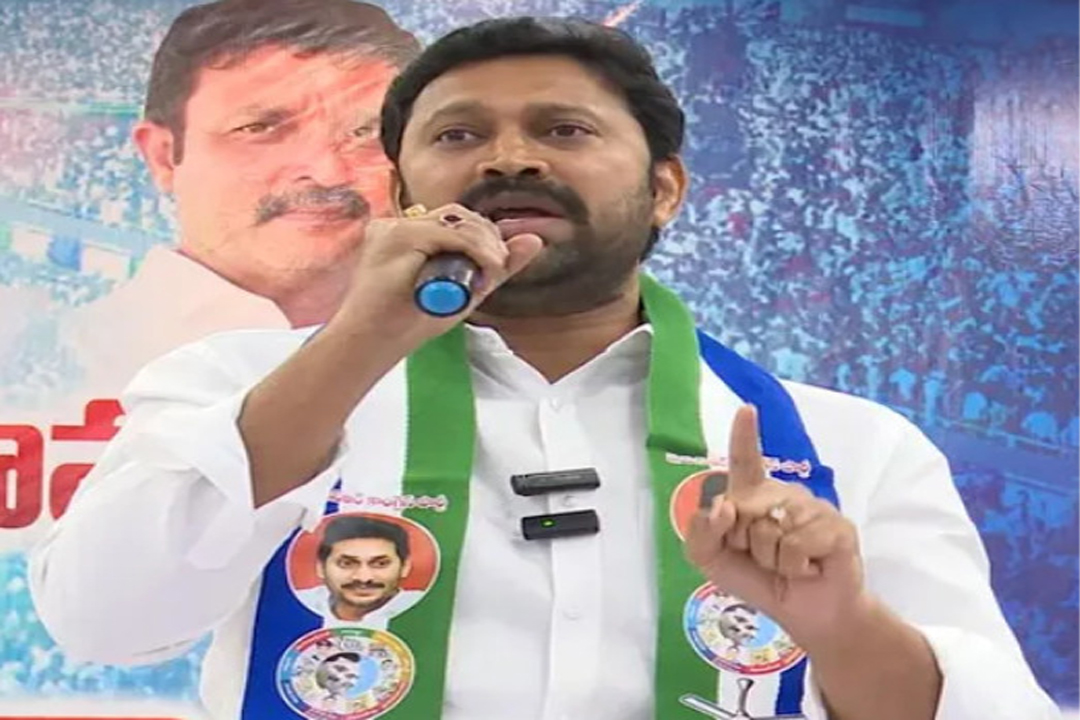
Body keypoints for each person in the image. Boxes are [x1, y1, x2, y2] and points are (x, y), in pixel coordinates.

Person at [30, 16, 1059, 720]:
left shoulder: (844, 447)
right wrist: (357, 344)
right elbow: (103, 619)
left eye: (565, 130)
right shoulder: (232, 384)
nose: (510, 159)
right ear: (403, 194)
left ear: (665, 189)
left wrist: (838, 626)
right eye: (459, 134)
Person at [295, 514, 424, 626]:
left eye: (380, 564)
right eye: (346, 563)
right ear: (320, 567)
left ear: (405, 567)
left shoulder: (426, 607)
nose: (364, 578)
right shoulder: (297, 603)